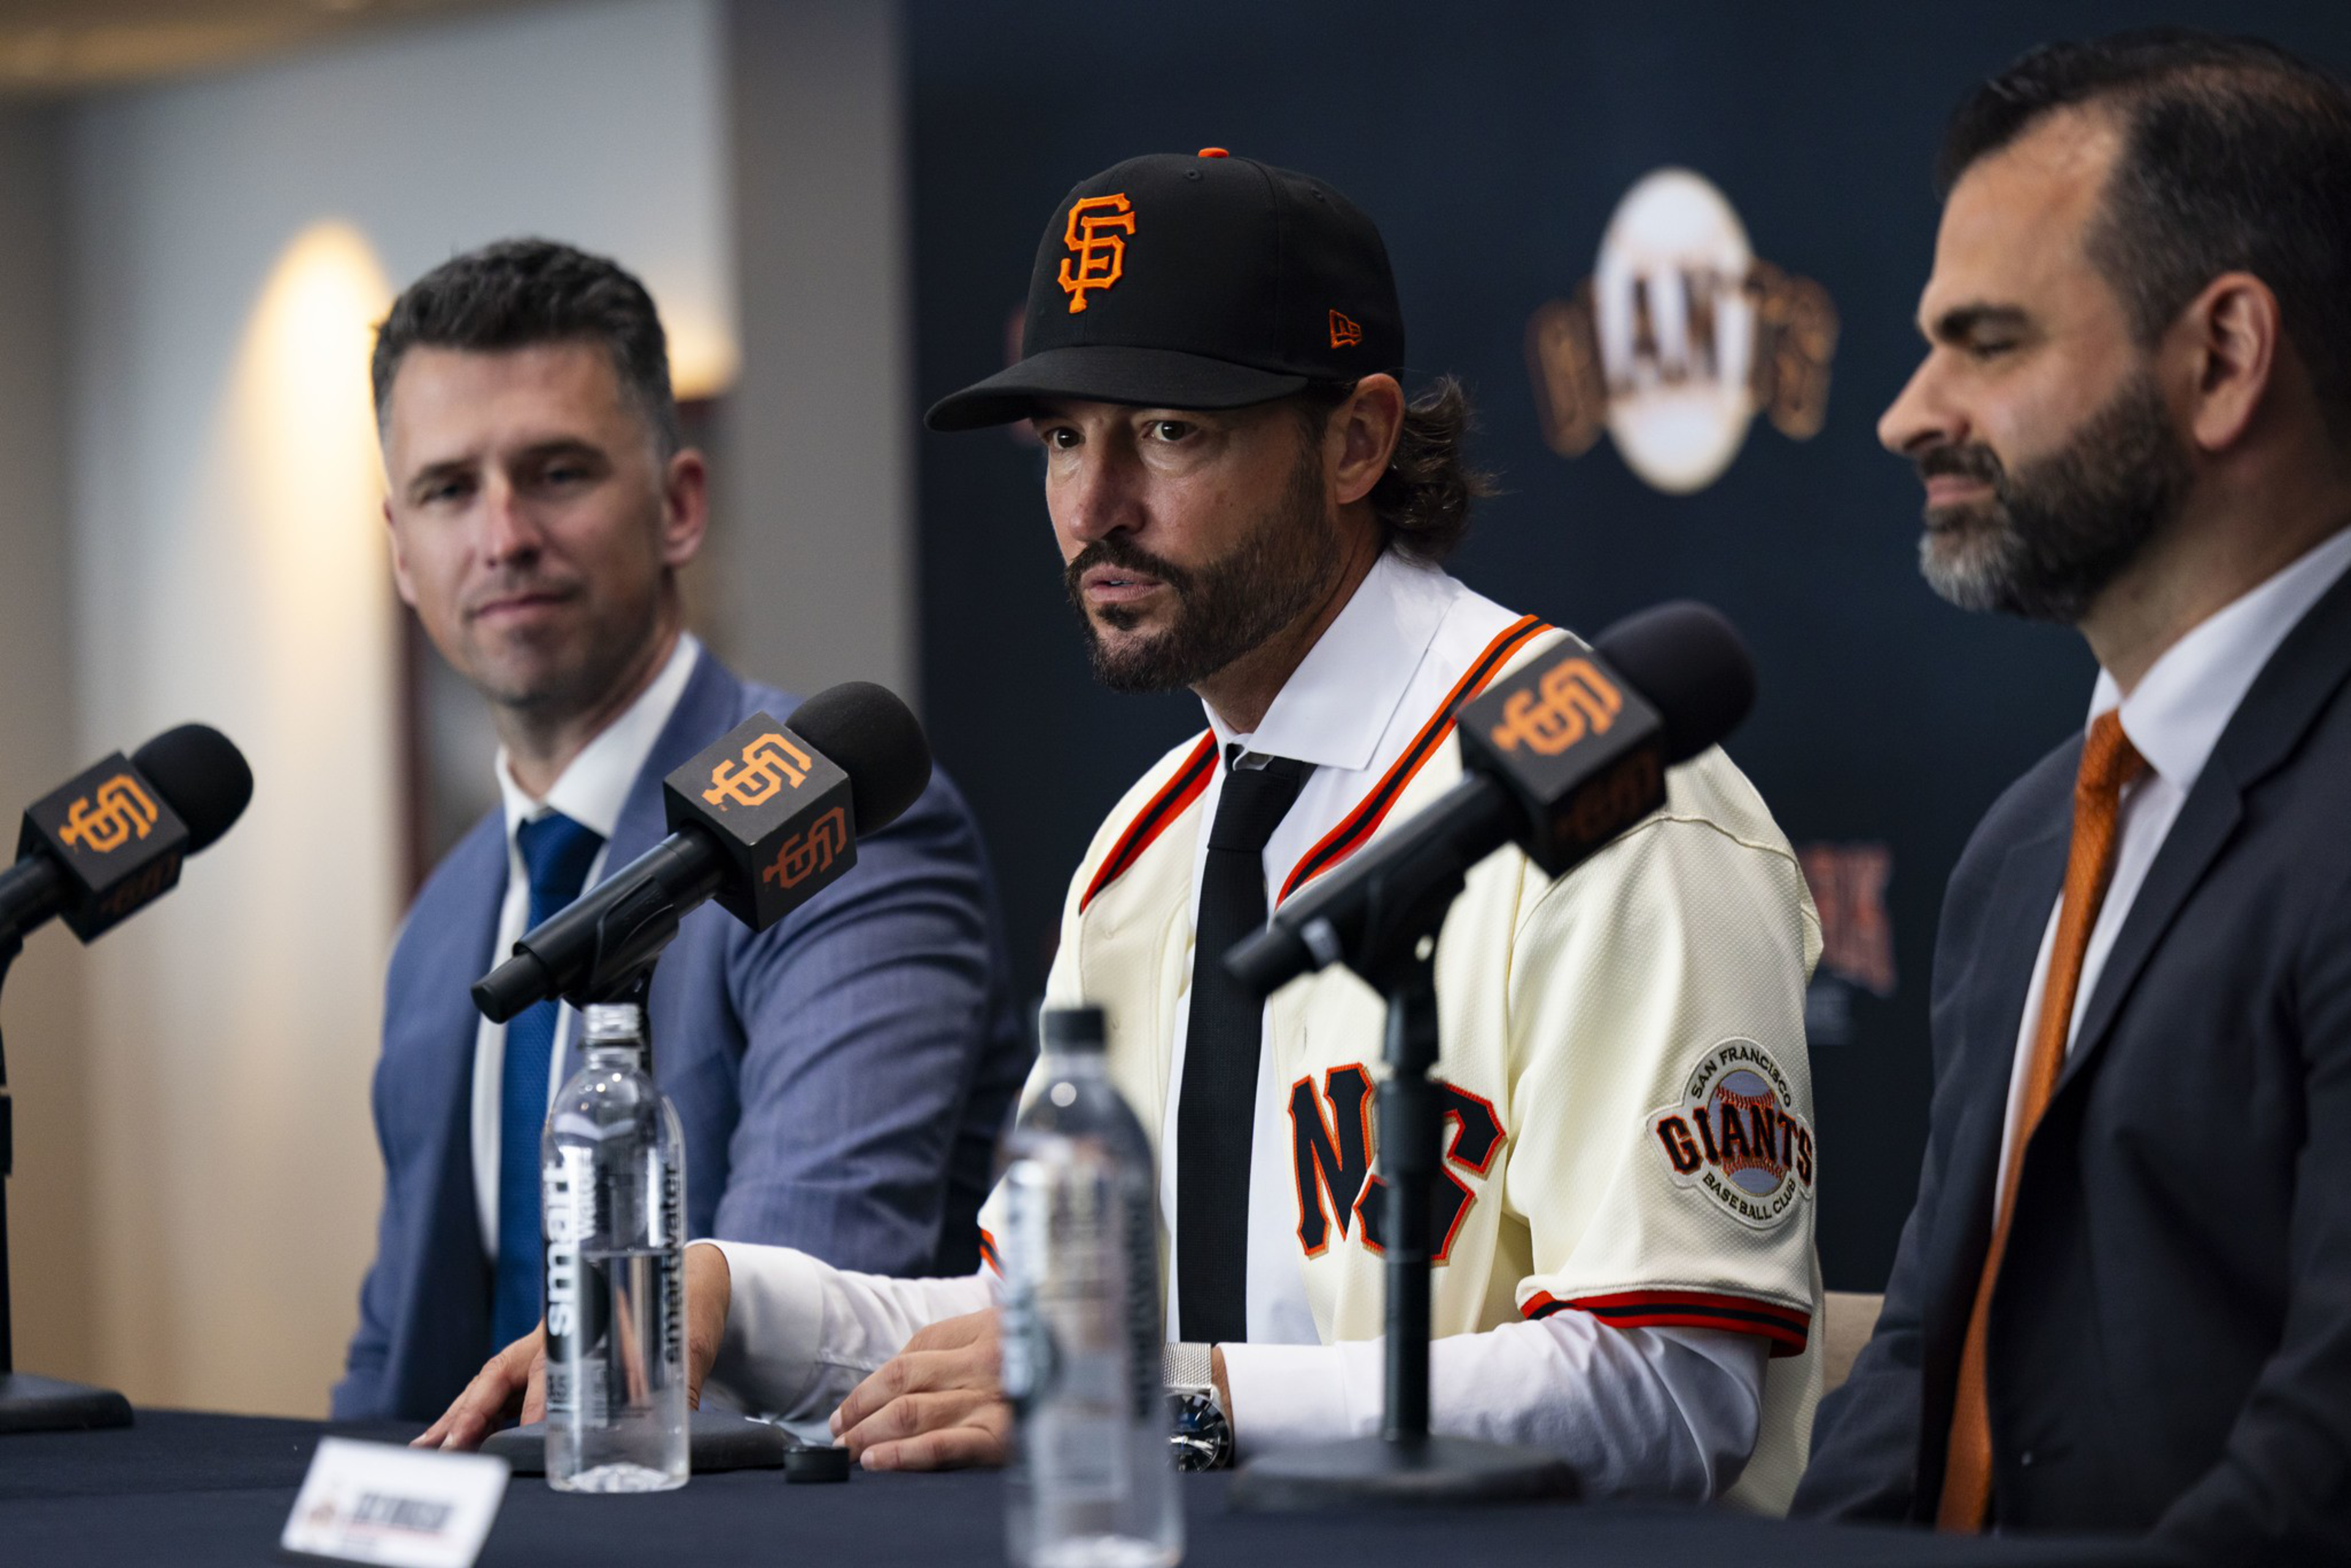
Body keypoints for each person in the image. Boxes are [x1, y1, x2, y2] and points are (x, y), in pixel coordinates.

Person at [423, 157, 1824, 1508]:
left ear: (1358, 439)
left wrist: (1176, 1394)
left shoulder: (1603, 793)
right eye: (1063, 440)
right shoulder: (1147, 848)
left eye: (1169, 431)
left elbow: (1674, 1387)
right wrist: (733, 1297)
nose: (1094, 510)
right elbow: (1041, 1324)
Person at [1793, 32, 2351, 1560]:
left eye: (1989, 341)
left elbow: (2326, 1455)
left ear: (2226, 357)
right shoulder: (2027, 841)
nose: (1910, 413)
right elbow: (1915, 1359)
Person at [335, 239, 1030, 1422]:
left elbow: (774, 1350)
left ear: (680, 506)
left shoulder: (833, 827)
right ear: (402, 550)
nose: (503, 537)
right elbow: (395, 1365)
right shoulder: (444, 921)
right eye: (450, 491)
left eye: (557, 474)